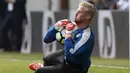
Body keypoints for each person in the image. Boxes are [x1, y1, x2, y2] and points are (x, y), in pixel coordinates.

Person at [29, 1, 96, 73]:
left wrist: (68, 34)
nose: (76, 14)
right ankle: (45, 67)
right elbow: (46, 39)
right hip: (66, 58)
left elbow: (71, 56)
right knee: (46, 59)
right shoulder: (72, 26)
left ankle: (44, 68)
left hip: (75, 68)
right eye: (77, 11)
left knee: (39, 71)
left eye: (79, 12)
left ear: (88, 16)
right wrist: (56, 26)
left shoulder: (86, 36)